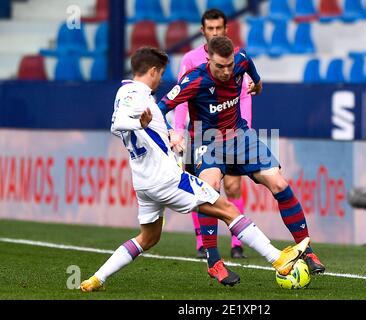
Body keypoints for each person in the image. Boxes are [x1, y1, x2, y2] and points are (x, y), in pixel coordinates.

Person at [79, 46, 311, 292]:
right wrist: (138, 122)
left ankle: (96, 278)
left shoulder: (125, 92)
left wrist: (167, 132)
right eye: (161, 74)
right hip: (167, 179)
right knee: (229, 210)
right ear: (154, 71)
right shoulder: (137, 94)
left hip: (144, 183)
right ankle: (279, 260)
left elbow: (140, 126)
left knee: (148, 238)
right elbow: (118, 123)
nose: (161, 81)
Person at [158, 36, 325, 287]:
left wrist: (257, 85)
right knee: (209, 190)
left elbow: (254, 76)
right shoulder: (194, 79)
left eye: (229, 65)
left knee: (279, 183)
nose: (226, 71)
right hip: (206, 141)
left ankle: (307, 249)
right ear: (209, 60)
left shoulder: (241, 60)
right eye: (219, 66)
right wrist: (172, 132)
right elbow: (161, 107)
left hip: (240, 136)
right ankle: (213, 261)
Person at [174, 9, 251, 260]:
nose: (215, 32)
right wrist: (177, 131)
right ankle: (203, 243)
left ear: (226, 30)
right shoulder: (190, 59)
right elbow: (181, 99)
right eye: (211, 28)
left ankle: (237, 243)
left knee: (233, 185)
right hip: (200, 133)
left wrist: (245, 127)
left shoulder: (236, 58)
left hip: (231, 131)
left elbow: (244, 95)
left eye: (219, 28)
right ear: (203, 31)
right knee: (204, 187)